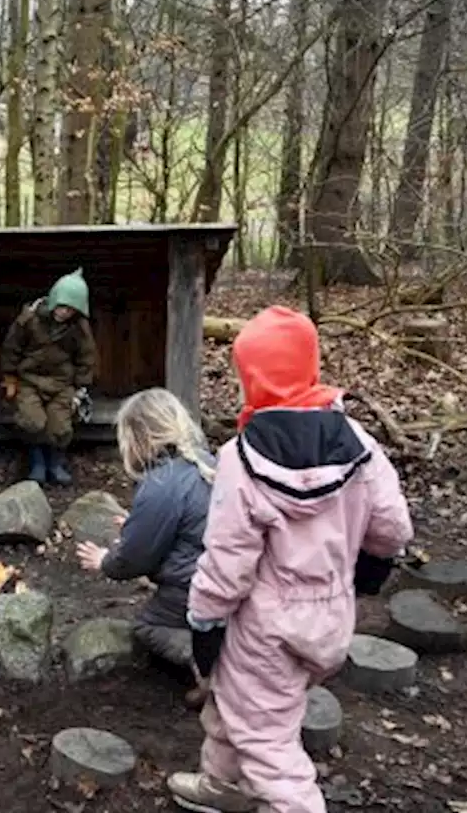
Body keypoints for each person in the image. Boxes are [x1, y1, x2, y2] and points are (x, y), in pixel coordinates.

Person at [166, 306, 414, 813]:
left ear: (252, 377)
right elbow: (392, 525)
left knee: (268, 743)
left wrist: (205, 621)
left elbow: (228, 560)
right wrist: (368, 571)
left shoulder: (241, 459)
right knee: (239, 707)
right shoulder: (361, 445)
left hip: (267, 625)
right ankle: (224, 786)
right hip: (330, 615)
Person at [75, 387, 215, 694]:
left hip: (198, 589)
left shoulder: (160, 483)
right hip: (229, 580)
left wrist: (104, 561)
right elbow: (187, 527)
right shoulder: (207, 462)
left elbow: (136, 558)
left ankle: (209, 663)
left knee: (147, 625)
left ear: (139, 437)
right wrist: (135, 524)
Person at [0, 268, 98, 484]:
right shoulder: (29, 320)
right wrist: (10, 377)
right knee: (32, 421)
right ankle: (38, 463)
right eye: (62, 306)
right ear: (54, 300)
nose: (64, 312)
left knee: (60, 427)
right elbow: (11, 348)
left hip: (61, 384)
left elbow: (86, 357)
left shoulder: (79, 328)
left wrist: (80, 389)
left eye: (71, 309)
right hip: (29, 381)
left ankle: (55, 463)